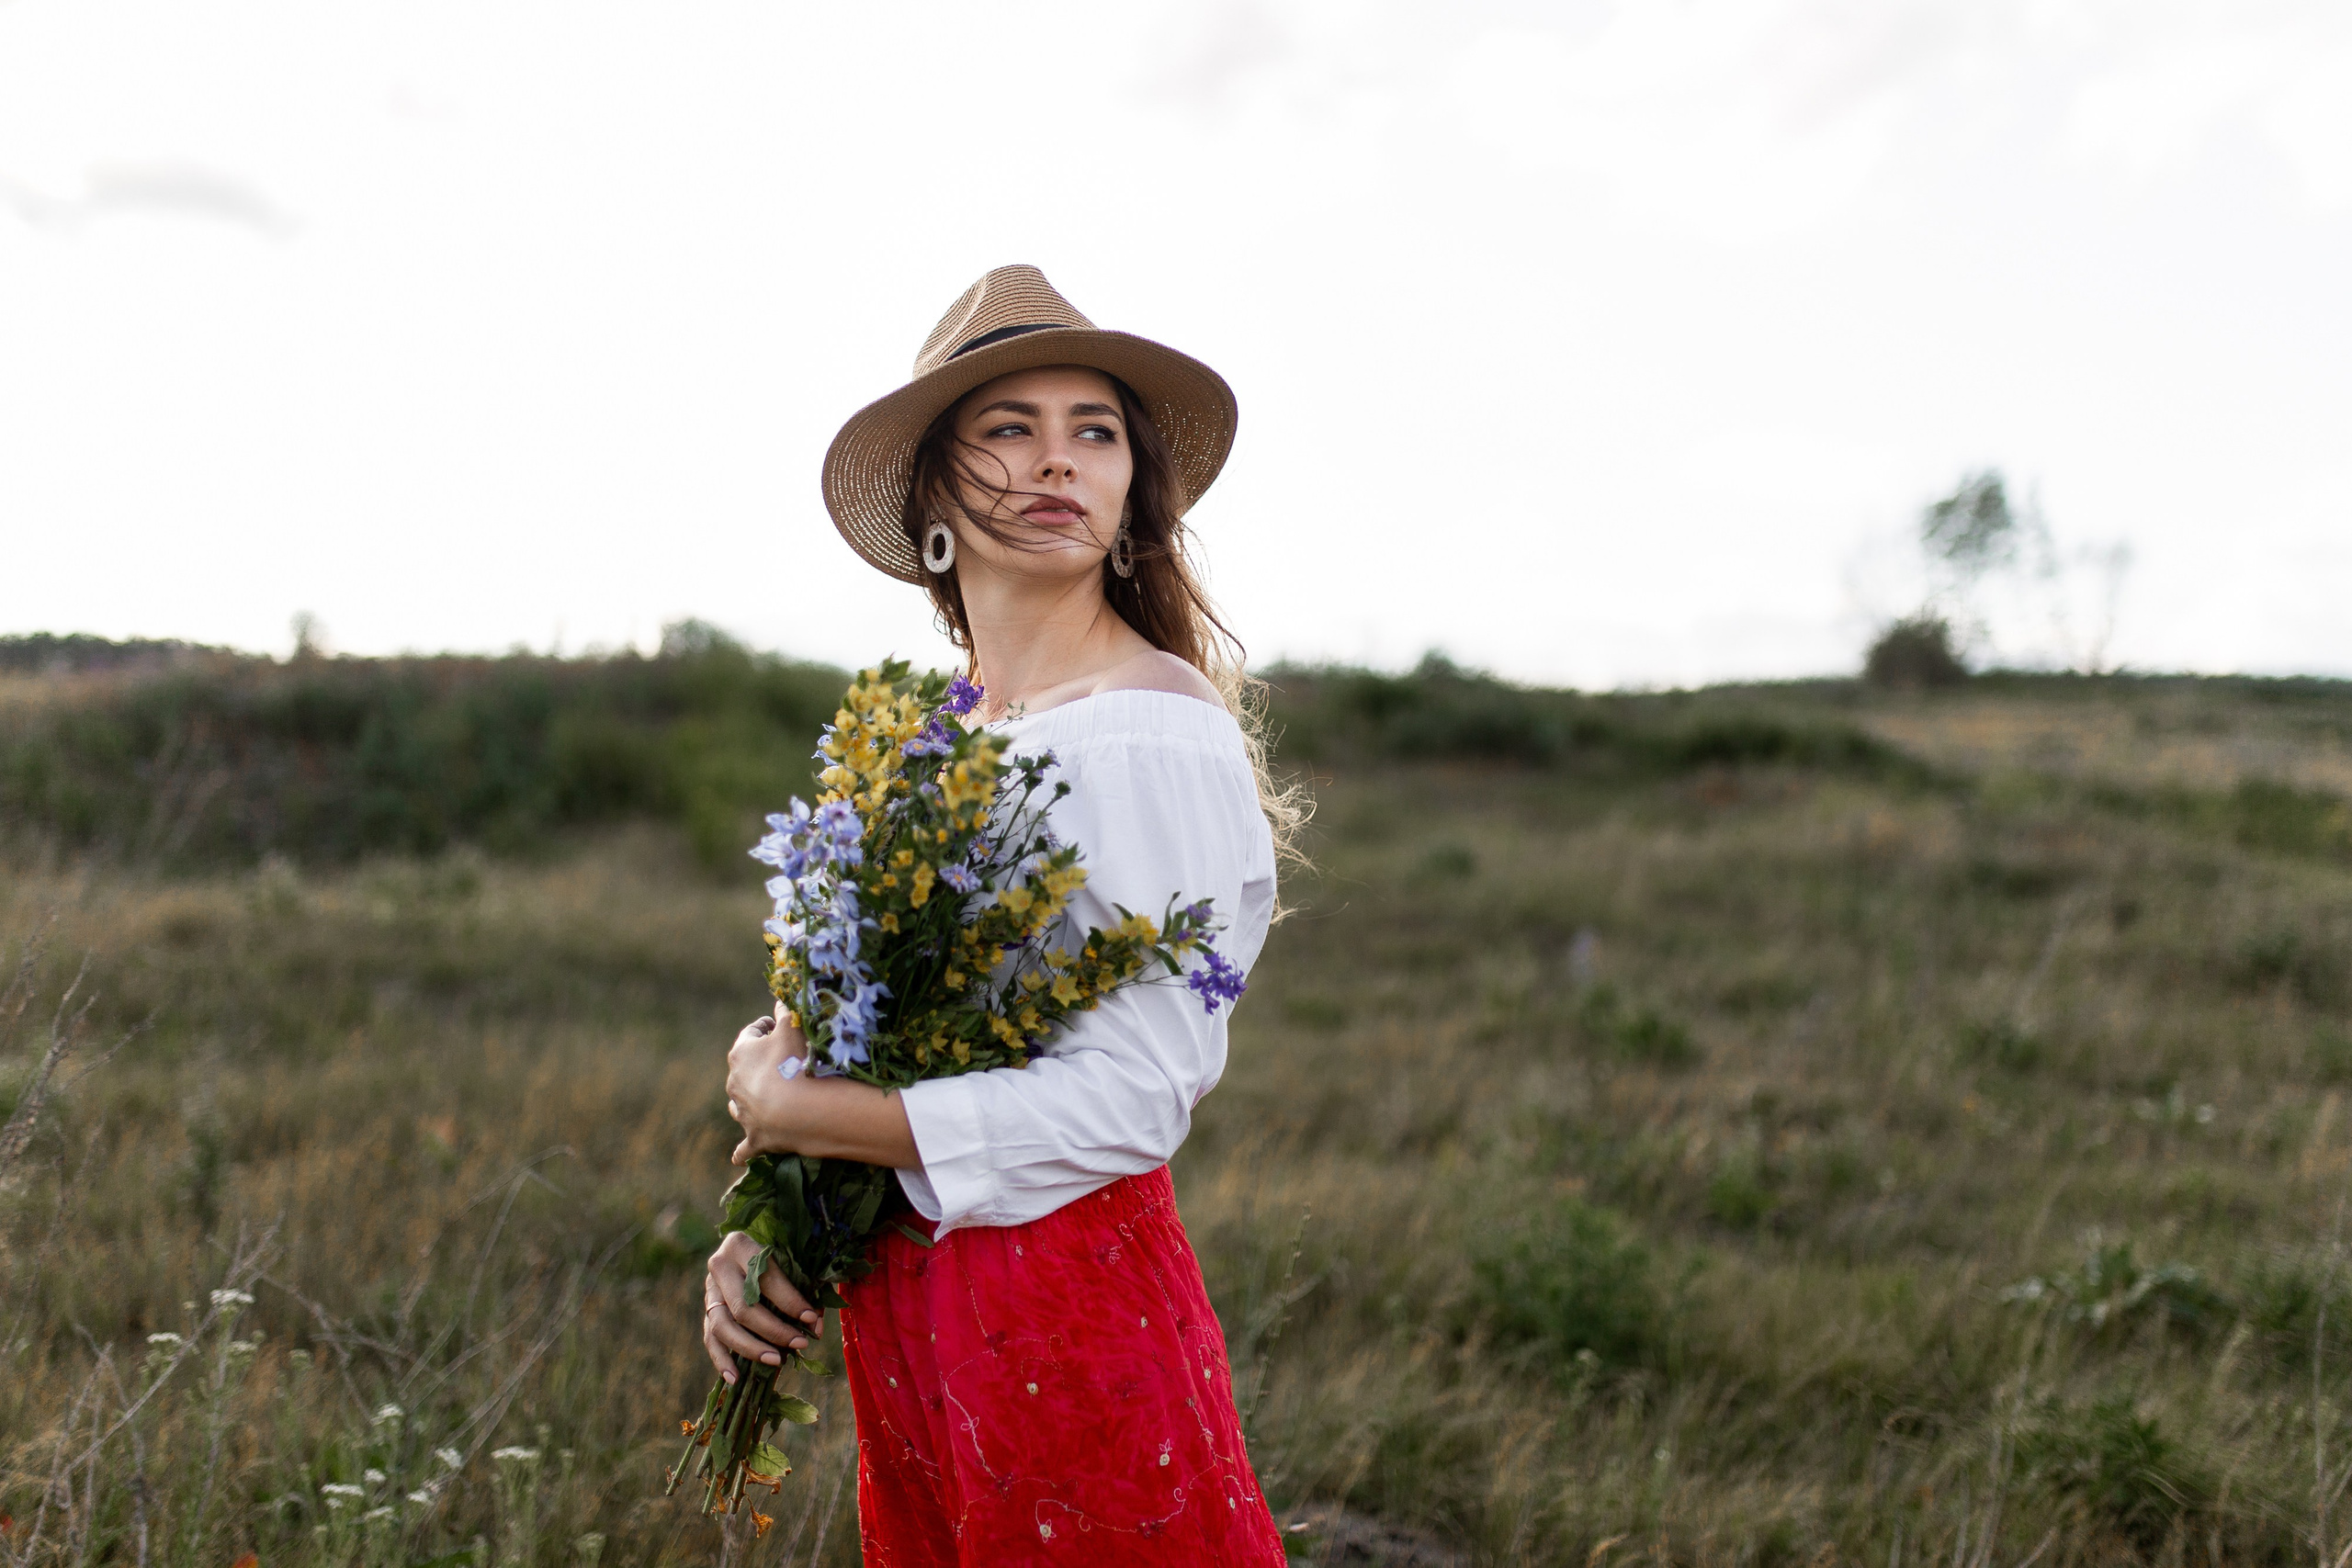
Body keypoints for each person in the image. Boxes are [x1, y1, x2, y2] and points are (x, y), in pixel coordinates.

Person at [700, 265, 1299, 1564]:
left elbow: (1136, 1099)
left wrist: (799, 1110)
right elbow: (868, 1025)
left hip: (1064, 1300)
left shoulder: (1151, 734)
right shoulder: (935, 742)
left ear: (1132, 491)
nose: (1056, 462)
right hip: (908, 1298)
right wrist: (768, 1220)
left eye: (1095, 431)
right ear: (932, 496)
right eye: (1008, 428)